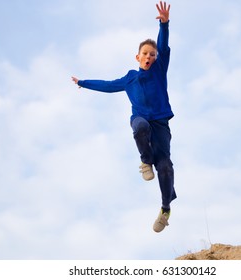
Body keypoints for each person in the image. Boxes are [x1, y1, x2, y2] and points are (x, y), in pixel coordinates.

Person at [71, 1, 176, 233]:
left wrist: (165, 25)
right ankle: (145, 160)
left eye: (153, 54)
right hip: (141, 119)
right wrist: (84, 83)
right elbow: (108, 85)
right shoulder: (130, 78)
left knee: (166, 167)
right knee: (139, 128)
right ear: (137, 57)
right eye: (145, 54)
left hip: (160, 124)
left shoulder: (159, 69)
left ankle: (165, 208)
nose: (149, 56)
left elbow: (164, 45)